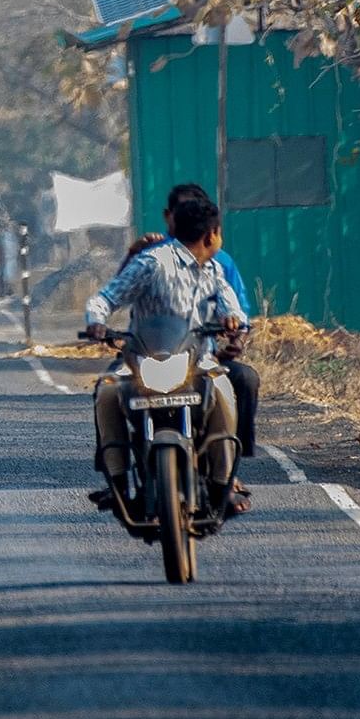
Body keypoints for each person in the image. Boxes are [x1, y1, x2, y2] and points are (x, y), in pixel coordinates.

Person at [84, 196, 247, 519]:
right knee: (106, 391)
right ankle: (117, 483)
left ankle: (222, 482)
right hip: (142, 360)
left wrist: (233, 322)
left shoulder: (213, 271)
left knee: (225, 394)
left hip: (197, 361)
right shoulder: (152, 263)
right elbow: (106, 298)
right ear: (212, 235)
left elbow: (234, 309)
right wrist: (97, 322)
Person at [123, 185, 260, 491]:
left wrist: (235, 339)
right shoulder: (149, 257)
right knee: (109, 393)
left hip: (202, 358)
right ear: (169, 217)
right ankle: (118, 470)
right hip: (150, 357)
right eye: (183, 214)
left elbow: (240, 315)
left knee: (244, 380)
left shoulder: (220, 264)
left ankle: (230, 469)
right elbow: (119, 293)